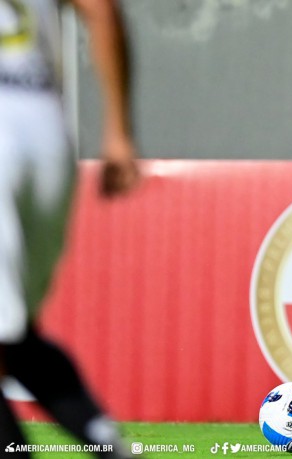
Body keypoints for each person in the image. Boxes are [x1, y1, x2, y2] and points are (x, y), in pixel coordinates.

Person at [0, 0, 139, 457]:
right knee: (15, 337)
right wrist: (118, 130)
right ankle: (105, 441)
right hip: (47, 136)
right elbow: (100, 9)